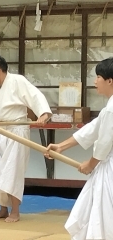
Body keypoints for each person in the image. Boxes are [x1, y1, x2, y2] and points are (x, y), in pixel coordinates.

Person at [44, 57, 113, 239]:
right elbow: (94, 128)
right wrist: (61, 146)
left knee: (104, 216)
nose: (95, 81)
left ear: (109, 80)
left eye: (98, 77)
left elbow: (105, 143)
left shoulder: (112, 109)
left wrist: (90, 164)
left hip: (110, 170)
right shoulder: (109, 109)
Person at [0, 55, 52, 223]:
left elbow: (35, 96)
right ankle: (2, 209)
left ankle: (15, 211)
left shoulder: (17, 81)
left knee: (12, 170)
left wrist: (44, 113)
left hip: (16, 130)